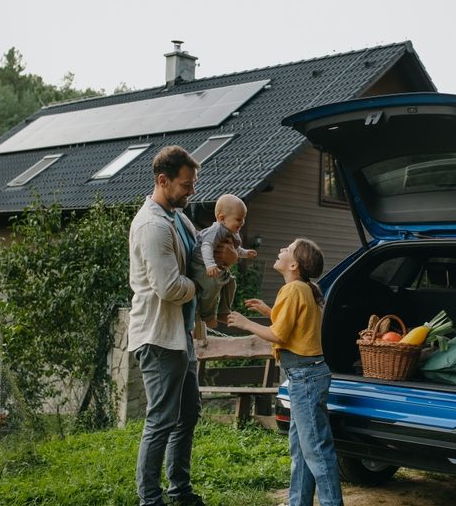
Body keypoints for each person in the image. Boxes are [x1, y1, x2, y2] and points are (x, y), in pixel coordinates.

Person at [227, 238, 344, 506]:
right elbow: (295, 326)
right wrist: (269, 311)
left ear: (294, 264)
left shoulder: (293, 290)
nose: (281, 250)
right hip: (304, 377)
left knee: (316, 450)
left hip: (305, 378)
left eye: (287, 249)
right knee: (302, 450)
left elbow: (279, 334)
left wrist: (246, 323)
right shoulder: (303, 289)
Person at [127, 145, 207, 506]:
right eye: (186, 184)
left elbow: (199, 252)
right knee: (160, 420)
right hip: (158, 337)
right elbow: (170, 287)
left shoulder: (179, 217)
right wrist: (204, 285)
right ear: (163, 180)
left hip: (181, 336)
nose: (192, 190)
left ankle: (180, 491)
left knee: (188, 413)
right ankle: (150, 499)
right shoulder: (152, 226)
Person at [190, 193, 258, 328]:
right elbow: (206, 246)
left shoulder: (231, 230)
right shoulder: (216, 230)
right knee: (212, 285)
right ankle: (207, 315)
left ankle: (223, 311)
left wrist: (245, 253)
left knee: (231, 282)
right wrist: (210, 265)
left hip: (215, 266)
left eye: (243, 219)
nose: (242, 222)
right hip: (200, 265)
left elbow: (234, 249)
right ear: (222, 218)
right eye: (239, 219)